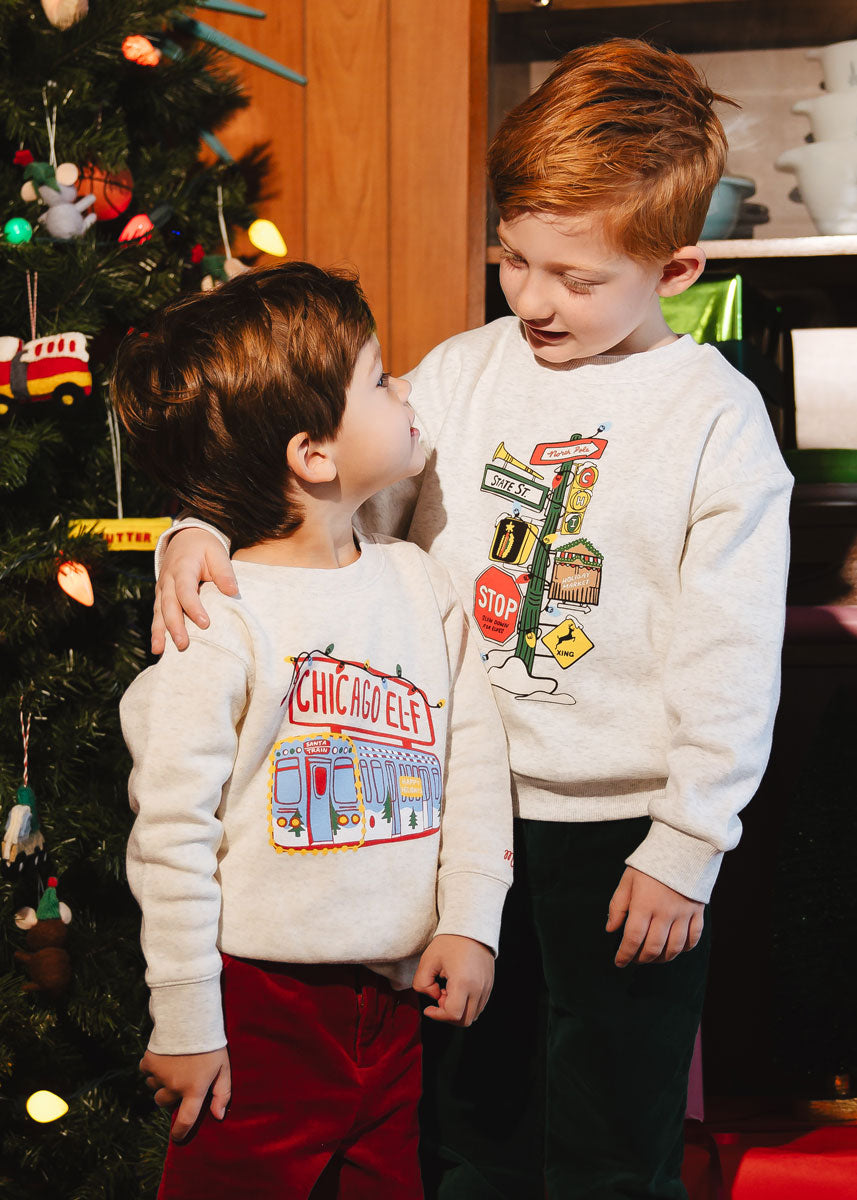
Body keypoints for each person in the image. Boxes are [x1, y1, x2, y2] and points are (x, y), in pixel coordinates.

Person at [150, 38, 793, 1200]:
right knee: (467, 1128)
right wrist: (193, 530)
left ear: (679, 268)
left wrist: (690, 841)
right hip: (447, 830)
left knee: (609, 1129)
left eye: (576, 279)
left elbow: (731, 649)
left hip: (625, 838)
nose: (535, 301)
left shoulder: (716, 420)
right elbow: (313, 507)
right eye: (512, 261)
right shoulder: (454, 374)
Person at [113, 262, 513, 1200]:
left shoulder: (420, 582)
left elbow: (474, 762)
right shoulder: (219, 619)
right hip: (259, 1010)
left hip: (397, 1004)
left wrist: (471, 921)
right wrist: (186, 1018)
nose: (405, 390)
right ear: (313, 455)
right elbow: (170, 833)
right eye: (379, 379)